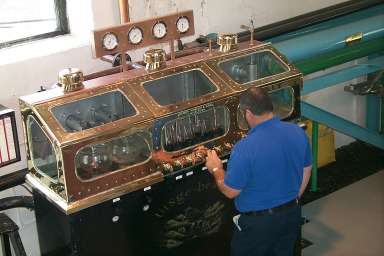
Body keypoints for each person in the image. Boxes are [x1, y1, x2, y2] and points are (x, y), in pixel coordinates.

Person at [205, 87, 312, 256]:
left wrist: (216, 168)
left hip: (258, 225)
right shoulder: (297, 132)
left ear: (248, 113)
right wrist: (294, 198)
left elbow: (230, 191)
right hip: (291, 214)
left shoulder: (244, 149)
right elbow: (306, 169)